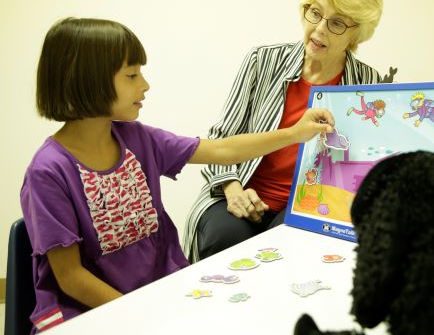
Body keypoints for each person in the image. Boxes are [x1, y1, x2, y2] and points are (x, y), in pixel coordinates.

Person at [20, 17, 334, 333]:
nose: (144, 85)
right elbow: (71, 278)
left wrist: (295, 133)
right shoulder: (48, 171)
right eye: (132, 75)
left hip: (158, 295)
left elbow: (224, 150)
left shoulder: (139, 139)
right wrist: (140, 317)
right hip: (92, 313)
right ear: (87, 81)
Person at [183, 0, 384, 262]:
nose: (318, 29)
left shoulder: (367, 83)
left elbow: (359, 163)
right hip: (238, 189)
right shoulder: (261, 61)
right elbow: (221, 137)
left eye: (337, 23)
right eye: (315, 13)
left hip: (309, 205)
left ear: (357, 33)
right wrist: (232, 188)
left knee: (286, 253)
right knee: (224, 244)